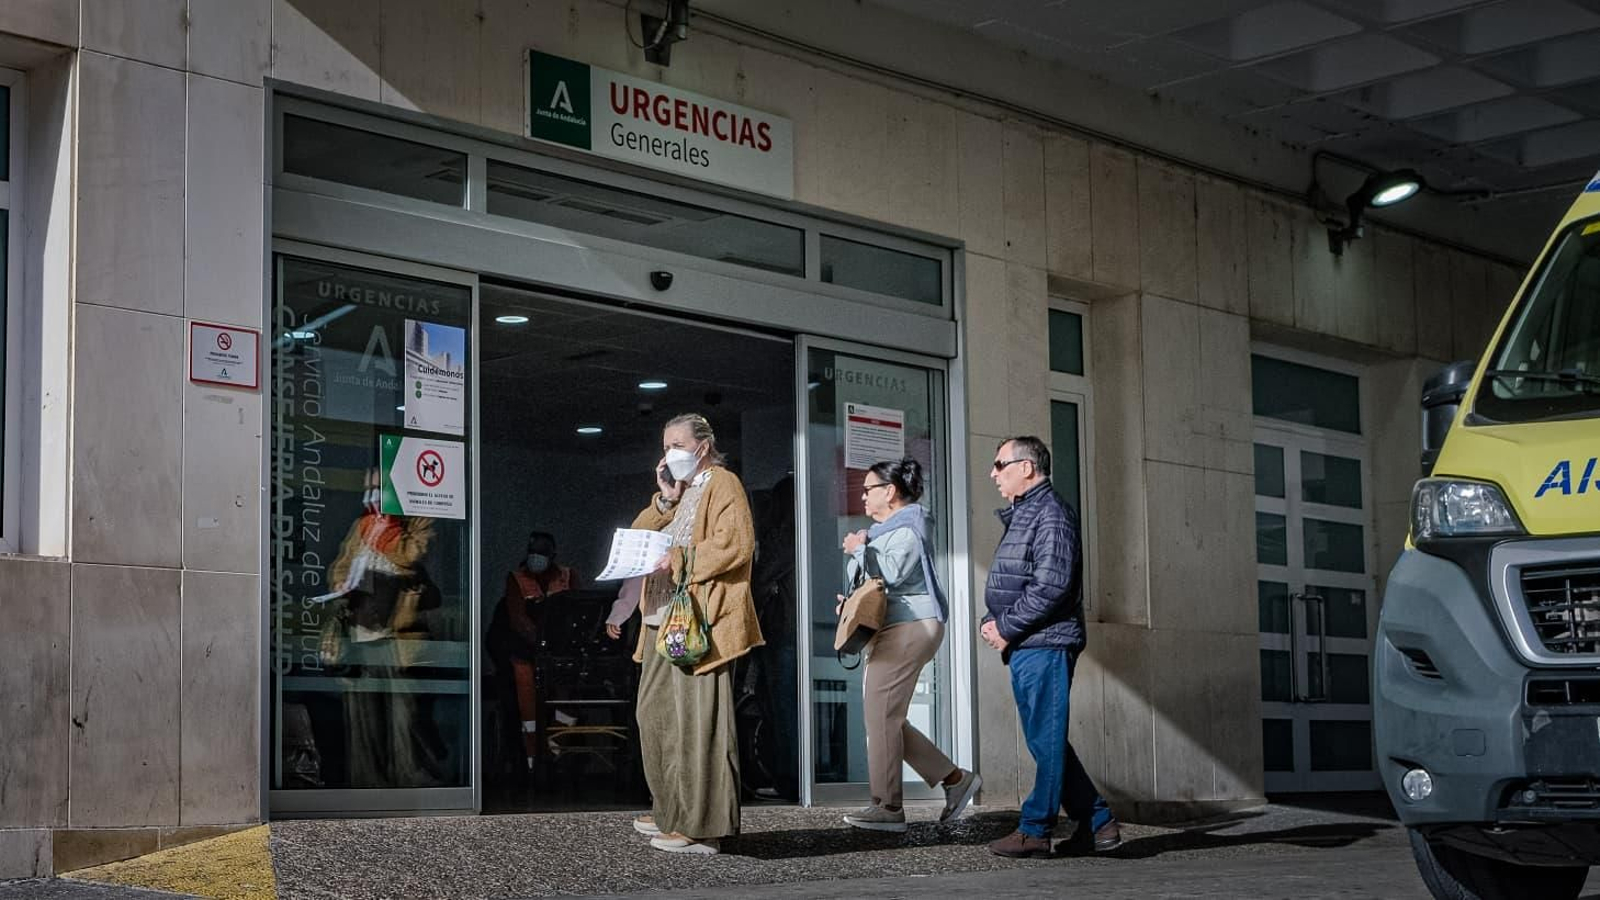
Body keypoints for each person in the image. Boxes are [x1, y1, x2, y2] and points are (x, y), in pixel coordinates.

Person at [627, 413, 763, 855]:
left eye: (678, 445)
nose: (670, 454)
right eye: (666, 446)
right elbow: (638, 539)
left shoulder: (722, 483)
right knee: (655, 716)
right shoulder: (679, 493)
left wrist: (681, 559)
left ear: (703, 447)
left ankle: (703, 827)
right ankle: (671, 810)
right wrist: (665, 501)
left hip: (698, 623)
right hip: (660, 622)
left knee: (698, 725)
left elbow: (735, 543)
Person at [981, 436, 1121, 859]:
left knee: (1047, 739)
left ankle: (1035, 829)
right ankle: (1098, 823)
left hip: (1045, 642)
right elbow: (1020, 582)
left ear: (1026, 467)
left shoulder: (1052, 514)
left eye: (999, 464)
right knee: (1047, 740)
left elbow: (1052, 586)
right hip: (1030, 642)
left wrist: (1006, 626)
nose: (993, 473)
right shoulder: (1029, 513)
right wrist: (992, 621)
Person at [838, 458, 980, 833]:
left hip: (910, 626)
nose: (862, 496)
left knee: (881, 715)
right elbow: (875, 583)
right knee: (887, 717)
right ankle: (954, 779)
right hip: (897, 626)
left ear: (890, 491)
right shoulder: (883, 530)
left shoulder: (910, 524)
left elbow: (892, 573)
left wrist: (859, 549)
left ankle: (887, 806)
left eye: (868, 489)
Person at [486, 530, 579, 774]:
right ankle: (529, 761)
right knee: (520, 706)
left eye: (541, 552)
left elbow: (577, 613)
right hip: (526, 654)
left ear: (552, 554)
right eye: (533, 552)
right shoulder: (517, 580)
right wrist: (540, 644)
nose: (536, 556)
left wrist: (559, 647)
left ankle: (557, 752)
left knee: (567, 700)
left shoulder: (567, 577)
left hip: (561, 654)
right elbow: (518, 620)